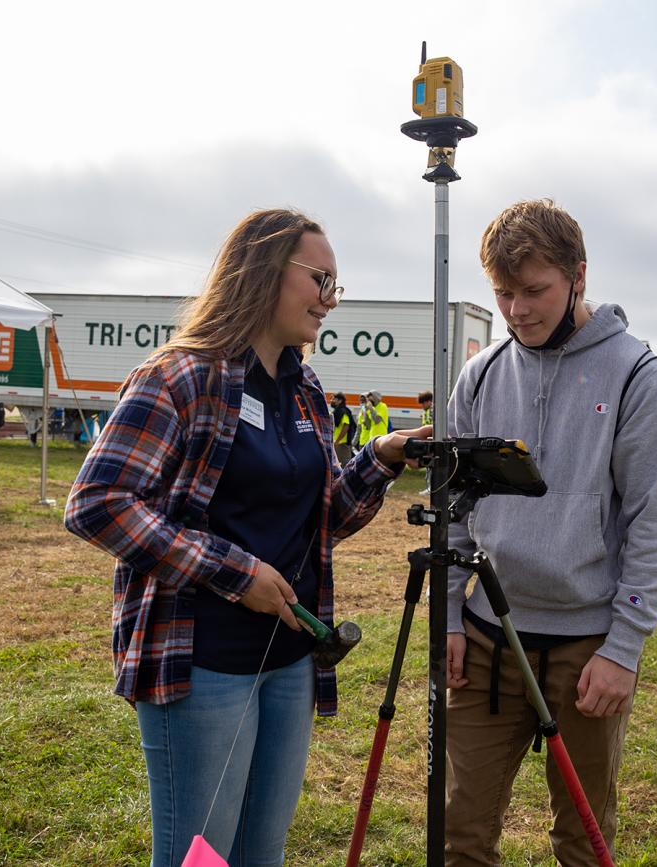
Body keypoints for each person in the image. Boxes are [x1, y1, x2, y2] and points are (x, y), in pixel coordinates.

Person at [63, 209, 429, 867]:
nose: (329, 300)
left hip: (288, 660)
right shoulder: (183, 375)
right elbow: (98, 502)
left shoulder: (306, 389)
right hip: (201, 661)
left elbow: (320, 521)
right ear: (263, 270)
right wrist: (236, 572)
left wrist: (382, 456)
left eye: (336, 286)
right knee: (200, 858)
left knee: (261, 854)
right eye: (320, 279)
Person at [445, 199, 657, 865]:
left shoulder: (639, 376)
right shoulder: (482, 374)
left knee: (583, 839)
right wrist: (448, 618)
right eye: (503, 293)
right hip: (489, 641)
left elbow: (653, 523)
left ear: (579, 275)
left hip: (587, 651)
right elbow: (456, 508)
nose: (518, 310)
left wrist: (624, 648)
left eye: (534, 290)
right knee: (460, 831)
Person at [328, 391, 355, 466]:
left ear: (340, 401)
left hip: (342, 444)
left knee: (344, 465)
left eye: (334, 399)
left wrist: (337, 441)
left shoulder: (343, 411)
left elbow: (346, 426)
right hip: (337, 443)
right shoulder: (337, 411)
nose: (331, 401)